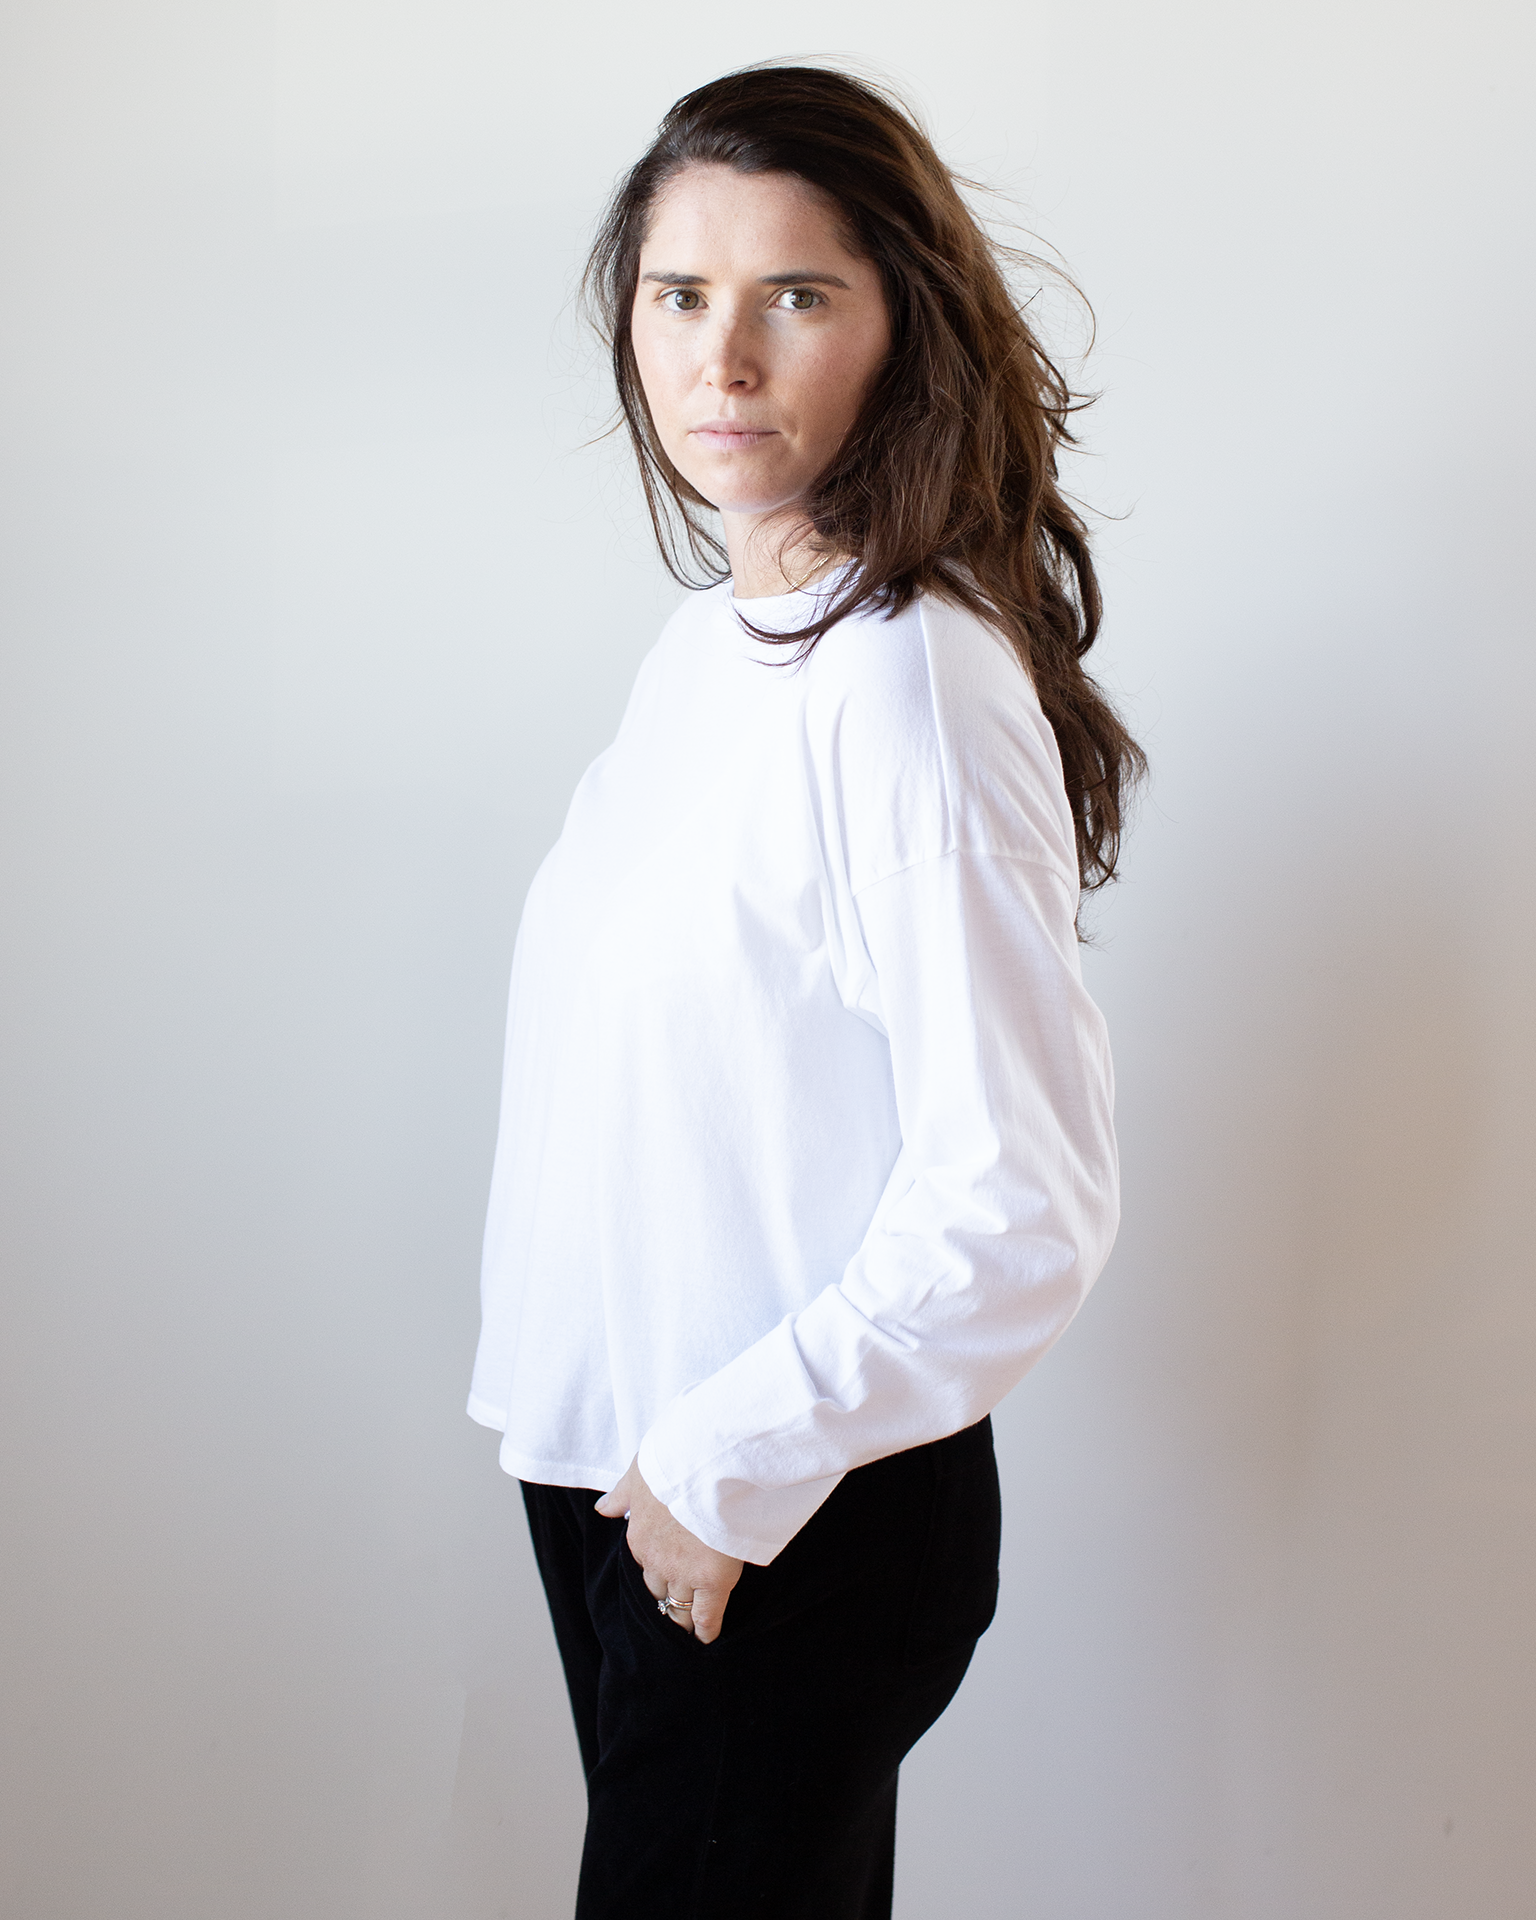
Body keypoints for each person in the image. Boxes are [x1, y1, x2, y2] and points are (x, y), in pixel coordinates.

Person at [468, 63, 1142, 1920]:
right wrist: (640, 1465)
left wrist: (727, 1464)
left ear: (902, 325)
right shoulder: (714, 651)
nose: (726, 357)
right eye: (680, 294)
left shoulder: (907, 677)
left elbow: (1020, 1196)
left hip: (776, 1501)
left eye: (797, 294)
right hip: (632, 1480)